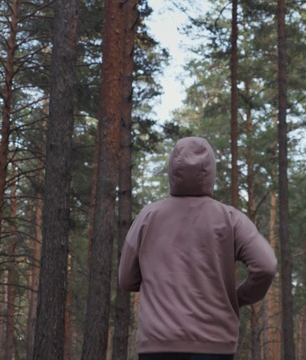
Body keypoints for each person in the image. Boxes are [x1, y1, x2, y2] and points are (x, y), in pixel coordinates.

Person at [118, 137, 277, 360]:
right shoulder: (230, 218)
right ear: (210, 171)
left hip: (158, 344)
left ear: (173, 171)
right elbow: (266, 265)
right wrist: (238, 297)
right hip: (215, 345)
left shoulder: (148, 217)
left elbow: (126, 279)